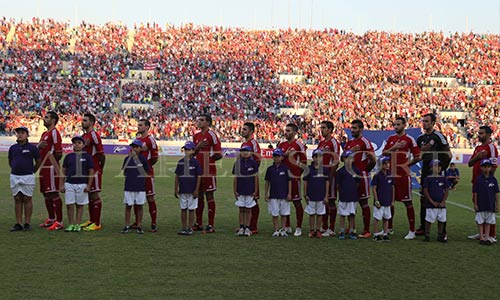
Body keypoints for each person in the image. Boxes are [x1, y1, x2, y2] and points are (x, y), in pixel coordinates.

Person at [382, 117, 421, 239]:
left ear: (404, 125)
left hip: (403, 175)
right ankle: (389, 228)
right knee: (390, 202)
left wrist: (407, 165)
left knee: (407, 202)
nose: (396, 126)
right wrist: (394, 147)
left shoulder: (409, 139)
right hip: (391, 174)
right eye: (394, 124)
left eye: (398, 124)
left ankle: (412, 231)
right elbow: (384, 153)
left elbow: (418, 156)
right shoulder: (391, 139)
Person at [416, 113, 452, 238]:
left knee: (439, 198)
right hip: (425, 172)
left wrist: (441, 169)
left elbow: (449, 154)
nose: (424, 123)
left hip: (438, 173)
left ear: (433, 123)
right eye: (423, 121)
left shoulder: (439, 136)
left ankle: (443, 232)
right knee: (423, 199)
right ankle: (423, 227)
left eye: (427, 121)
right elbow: (418, 155)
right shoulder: (420, 138)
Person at [344, 119, 376, 238]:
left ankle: (366, 230)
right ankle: (351, 227)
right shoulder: (349, 143)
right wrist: (351, 151)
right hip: (350, 175)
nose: (352, 130)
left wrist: (366, 169)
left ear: (361, 129)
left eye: (355, 128)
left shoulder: (365, 142)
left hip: (361, 175)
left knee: (363, 202)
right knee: (350, 202)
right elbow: (344, 156)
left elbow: (373, 158)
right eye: (352, 128)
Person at [467, 125, 498, 241]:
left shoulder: (492, 148)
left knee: (489, 206)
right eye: (479, 133)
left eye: (482, 133)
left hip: (486, 183)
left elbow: (494, 166)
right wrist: (477, 157)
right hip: (476, 182)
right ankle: (481, 233)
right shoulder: (477, 148)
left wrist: (488, 181)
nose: (479, 135)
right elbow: (470, 163)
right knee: (478, 206)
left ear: (489, 135)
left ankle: (491, 234)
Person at [193, 114, 222, 233]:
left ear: (208, 123)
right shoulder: (196, 136)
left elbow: (219, 153)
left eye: (201, 120)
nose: (198, 122)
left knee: (209, 196)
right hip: (198, 171)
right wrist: (198, 147)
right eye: (198, 120)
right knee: (198, 196)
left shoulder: (212, 135)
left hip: (208, 171)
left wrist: (208, 162)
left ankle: (211, 225)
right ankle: (198, 223)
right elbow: (193, 153)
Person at [9, 126, 41, 232]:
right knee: (17, 199)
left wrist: (32, 171)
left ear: (27, 135)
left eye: (22, 132)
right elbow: (10, 161)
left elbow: (38, 161)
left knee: (27, 198)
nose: (20, 134)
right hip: (14, 176)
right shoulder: (12, 148)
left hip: (28, 176)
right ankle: (18, 223)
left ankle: (27, 222)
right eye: (18, 133)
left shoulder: (32, 148)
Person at [278, 123, 307, 237]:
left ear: (295, 133)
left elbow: (304, 162)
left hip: (294, 178)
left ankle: (299, 227)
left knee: (296, 202)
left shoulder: (299, 145)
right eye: (286, 130)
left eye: (289, 131)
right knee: (284, 202)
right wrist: (285, 155)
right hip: (283, 178)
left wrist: (297, 173)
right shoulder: (282, 144)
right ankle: (287, 226)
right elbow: (277, 159)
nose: (286, 132)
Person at [60, 136, 95, 232]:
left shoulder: (87, 157)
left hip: (82, 184)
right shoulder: (68, 156)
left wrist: (89, 185)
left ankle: (77, 224)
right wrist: (61, 184)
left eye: (79, 143)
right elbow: (63, 171)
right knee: (69, 204)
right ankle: (71, 224)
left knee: (79, 205)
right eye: (75, 143)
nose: (76, 144)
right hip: (69, 183)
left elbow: (91, 171)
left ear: (83, 145)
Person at [38, 111, 64, 231]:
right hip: (43, 168)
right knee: (46, 193)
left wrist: (52, 163)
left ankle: (59, 221)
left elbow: (59, 152)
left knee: (53, 193)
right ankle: (51, 219)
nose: (44, 119)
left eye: (47, 117)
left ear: (53, 120)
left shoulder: (54, 133)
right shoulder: (44, 134)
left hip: (51, 168)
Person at [81, 113, 106, 231]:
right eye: (82, 120)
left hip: (94, 169)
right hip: (86, 170)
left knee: (95, 194)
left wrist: (100, 168)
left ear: (91, 122)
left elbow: (101, 154)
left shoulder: (94, 135)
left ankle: (97, 223)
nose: (82, 122)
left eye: (85, 120)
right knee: (90, 195)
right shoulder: (83, 136)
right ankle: (91, 220)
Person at [316, 120, 340, 237]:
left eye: (324, 128)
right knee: (323, 201)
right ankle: (324, 226)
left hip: (330, 175)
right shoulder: (321, 143)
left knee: (330, 200)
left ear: (330, 130)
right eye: (321, 127)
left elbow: (336, 160)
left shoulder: (334, 142)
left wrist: (331, 176)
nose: (322, 130)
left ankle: (331, 228)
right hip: (320, 176)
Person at [135, 119, 159, 232]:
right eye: (138, 125)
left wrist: (147, 166)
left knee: (150, 198)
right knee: (136, 198)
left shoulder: (150, 140)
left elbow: (155, 157)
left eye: (141, 125)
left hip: (147, 174)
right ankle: (137, 222)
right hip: (137, 174)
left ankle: (153, 223)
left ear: (147, 127)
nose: (138, 127)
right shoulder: (137, 140)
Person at [121, 139, 150, 234]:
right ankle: (127, 225)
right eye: (133, 147)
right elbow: (124, 171)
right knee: (128, 206)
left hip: (140, 187)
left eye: (136, 147)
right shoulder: (127, 159)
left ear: (141, 148)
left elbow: (146, 172)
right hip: (129, 186)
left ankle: (139, 225)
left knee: (140, 206)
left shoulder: (143, 159)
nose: (134, 149)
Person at [174, 141, 202, 236]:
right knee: (183, 208)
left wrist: (197, 189)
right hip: (183, 189)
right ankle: (184, 227)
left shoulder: (196, 162)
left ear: (193, 150)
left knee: (191, 209)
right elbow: (177, 176)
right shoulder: (181, 162)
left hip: (192, 190)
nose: (186, 151)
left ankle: (190, 228)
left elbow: (199, 176)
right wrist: (175, 188)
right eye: (185, 149)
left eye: (188, 149)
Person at [265, 148, 292, 237]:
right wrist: (266, 193)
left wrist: (289, 193)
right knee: (275, 213)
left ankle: (283, 229)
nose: (276, 158)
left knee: (284, 214)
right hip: (273, 195)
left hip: (284, 194)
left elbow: (289, 181)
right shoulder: (270, 169)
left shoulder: (286, 168)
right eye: (275, 156)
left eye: (278, 156)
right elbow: (267, 182)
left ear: (282, 157)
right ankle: (276, 229)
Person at [233, 145, 259, 237]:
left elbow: (256, 178)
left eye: (247, 151)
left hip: (250, 190)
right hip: (240, 189)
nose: (245, 152)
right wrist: (234, 190)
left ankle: (247, 227)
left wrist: (256, 190)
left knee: (248, 209)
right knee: (241, 209)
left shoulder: (254, 163)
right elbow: (235, 178)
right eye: (243, 151)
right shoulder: (237, 163)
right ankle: (241, 227)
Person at [240, 122, 262, 234]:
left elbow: (258, 159)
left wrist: (251, 170)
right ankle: (244, 225)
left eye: (245, 129)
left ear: (251, 131)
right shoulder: (244, 143)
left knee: (254, 200)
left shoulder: (253, 143)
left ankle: (253, 226)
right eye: (242, 129)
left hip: (251, 177)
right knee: (243, 201)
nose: (242, 131)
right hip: (243, 178)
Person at [303, 149, 329, 238]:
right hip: (311, 195)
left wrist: (326, 195)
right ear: (313, 158)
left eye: (320, 157)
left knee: (320, 214)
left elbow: (327, 182)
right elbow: (305, 181)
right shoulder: (308, 169)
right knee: (311, 214)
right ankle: (311, 230)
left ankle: (318, 230)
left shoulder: (325, 169)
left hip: (321, 195)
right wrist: (305, 194)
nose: (318, 159)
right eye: (316, 156)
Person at [472, 159, 499, 245]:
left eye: (488, 167)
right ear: (481, 168)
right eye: (484, 167)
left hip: (490, 205)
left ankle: (487, 237)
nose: (486, 169)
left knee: (488, 221)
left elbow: (496, 193)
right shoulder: (478, 180)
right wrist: (475, 204)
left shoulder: (493, 180)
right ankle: (481, 237)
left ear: (490, 168)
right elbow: (475, 192)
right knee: (480, 221)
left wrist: (497, 204)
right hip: (481, 204)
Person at [336, 150, 360, 240]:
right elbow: (338, 185)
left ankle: (351, 231)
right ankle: (341, 231)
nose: (348, 160)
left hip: (353, 197)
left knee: (352, 214)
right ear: (343, 159)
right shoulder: (340, 171)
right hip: (343, 197)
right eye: (346, 158)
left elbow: (358, 183)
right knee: (342, 214)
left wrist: (353, 191)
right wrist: (342, 192)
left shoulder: (356, 170)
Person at [422, 160, 448, 243]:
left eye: (439, 166)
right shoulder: (428, 179)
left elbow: (446, 191)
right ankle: (427, 234)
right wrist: (431, 201)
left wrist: (443, 201)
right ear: (431, 168)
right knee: (429, 219)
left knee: (441, 219)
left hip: (441, 204)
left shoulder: (443, 178)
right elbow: (425, 191)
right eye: (436, 166)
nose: (438, 168)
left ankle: (440, 234)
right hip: (430, 204)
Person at [371, 157, 395, 242]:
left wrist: (392, 200)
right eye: (385, 163)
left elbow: (392, 188)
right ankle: (376, 234)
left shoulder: (390, 175)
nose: (387, 165)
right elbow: (374, 188)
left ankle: (385, 233)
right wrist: (376, 200)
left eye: (388, 163)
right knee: (377, 218)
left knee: (386, 217)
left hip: (387, 201)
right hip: (380, 201)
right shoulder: (377, 175)